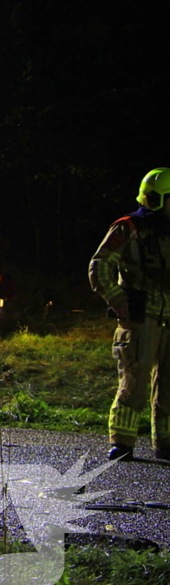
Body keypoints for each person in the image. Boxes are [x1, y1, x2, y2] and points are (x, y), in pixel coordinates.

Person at [89, 168, 170, 461]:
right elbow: (99, 266)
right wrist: (118, 301)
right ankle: (122, 443)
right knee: (134, 382)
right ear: (157, 198)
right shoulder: (128, 228)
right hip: (140, 318)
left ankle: (166, 443)